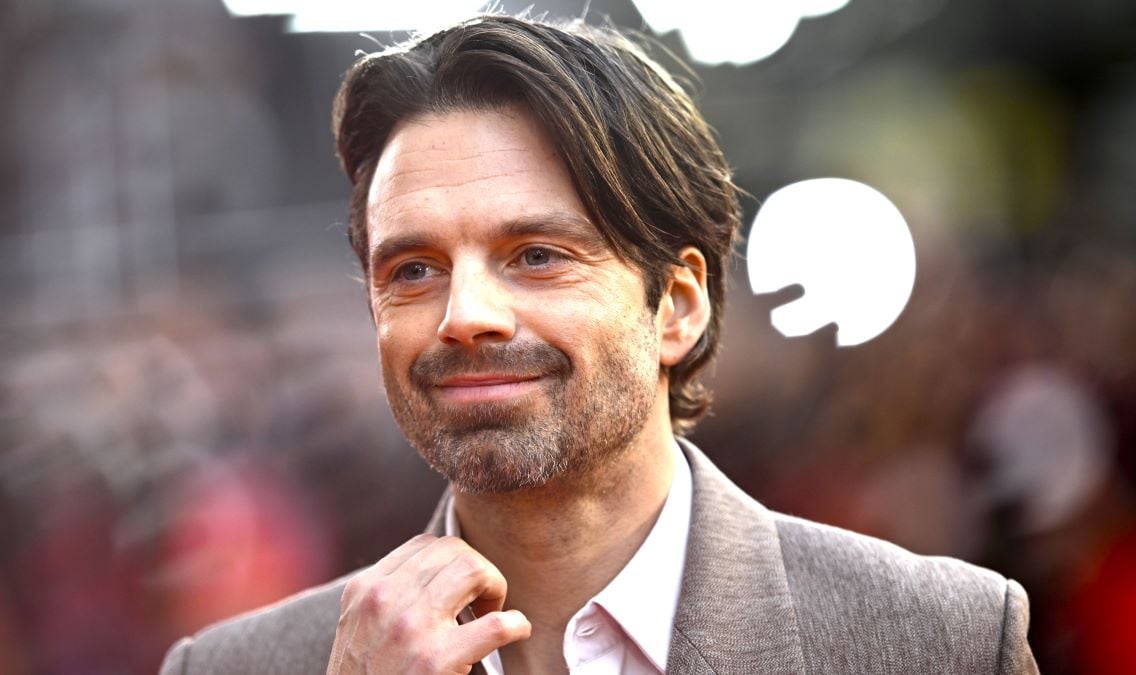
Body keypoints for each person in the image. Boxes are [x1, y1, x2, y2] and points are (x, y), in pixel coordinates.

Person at [159, 14, 1038, 675]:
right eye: (414, 269)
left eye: (536, 255)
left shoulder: (938, 639)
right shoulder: (235, 667)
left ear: (677, 307)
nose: (466, 313)